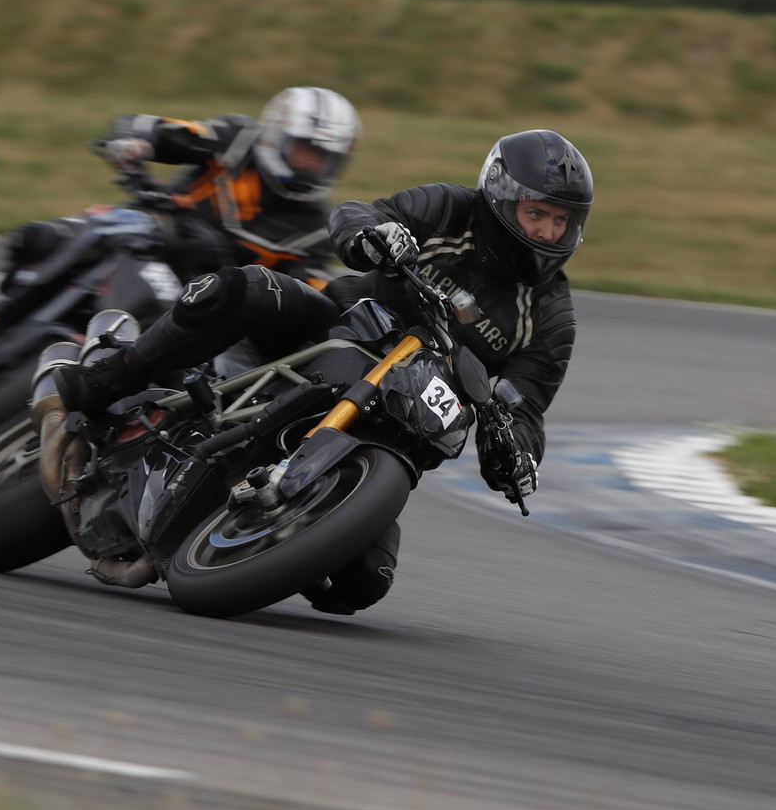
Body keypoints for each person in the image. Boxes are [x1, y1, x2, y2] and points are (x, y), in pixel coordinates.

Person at [56, 129, 593, 615]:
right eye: (537, 214)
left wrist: (518, 454)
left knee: (362, 584)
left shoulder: (551, 316)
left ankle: (251, 537)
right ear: (501, 198)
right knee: (243, 287)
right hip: (329, 331)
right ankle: (111, 376)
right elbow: (361, 213)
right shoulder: (450, 208)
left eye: (561, 220)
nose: (548, 232)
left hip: (400, 420)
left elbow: (526, 406)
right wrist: (369, 236)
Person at [0, 87, 363, 329]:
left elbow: (312, 286)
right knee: (47, 236)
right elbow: (160, 129)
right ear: (276, 134)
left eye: (322, 157)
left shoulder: (316, 227)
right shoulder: (236, 140)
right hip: (152, 227)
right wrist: (136, 143)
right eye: (304, 149)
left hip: (196, 290)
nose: (309, 163)